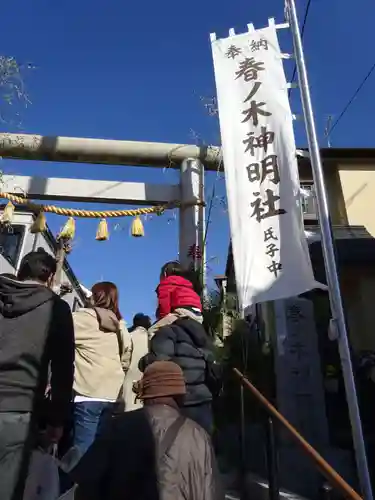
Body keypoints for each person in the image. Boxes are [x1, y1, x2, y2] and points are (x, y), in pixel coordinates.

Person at [72, 361, 224, 500]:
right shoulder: (199, 435)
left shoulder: (117, 426)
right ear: (181, 395)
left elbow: (87, 486)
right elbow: (211, 491)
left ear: (144, 394)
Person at [0, 249, 75, 500]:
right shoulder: (57, 308)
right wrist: (57, 420)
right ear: (51, 277)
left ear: (21, 271)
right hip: (20, 409)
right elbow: (63, 370)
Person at [69, 281, 132, 466]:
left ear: (95, 296)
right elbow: (126, 355)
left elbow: (58, 337)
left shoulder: (81, 319)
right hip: (111, 393)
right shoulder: (119, 324)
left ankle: (75, 491)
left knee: (81, 450)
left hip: (87, 392)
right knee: (100, 450)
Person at [140, 315, 219, 434]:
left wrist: (143, 362)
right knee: (203, 444)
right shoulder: (204, 336)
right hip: (203, 400)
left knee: (175, 445)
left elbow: (159, 363)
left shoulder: (168, 332)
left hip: (178, 400)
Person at [148, 261, 203, 337]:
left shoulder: (166, 283)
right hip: (198, 315)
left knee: (151, 331)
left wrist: (162, 318)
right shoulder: (188, 284)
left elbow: (164, 304)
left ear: (164, 274)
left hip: (182, 313)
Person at [123, 313, 151, 412]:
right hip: (147, 379)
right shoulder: (151, 338)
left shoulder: (129, 336)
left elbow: (124, 359)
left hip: (129, 377)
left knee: (129, 408)